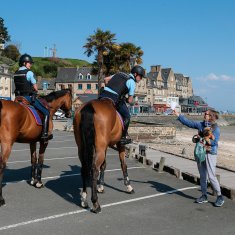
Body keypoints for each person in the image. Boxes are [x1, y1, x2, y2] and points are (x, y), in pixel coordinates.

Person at [173, 109, 224, 207]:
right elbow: (189, 123)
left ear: (212, 116)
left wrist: (204, 139)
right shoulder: (200, 125)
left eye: (206, 114)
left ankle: (219, 196)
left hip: (210, 153)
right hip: (200, 152)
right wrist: (179, 115)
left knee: (211, 175)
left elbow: (215, 143)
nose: (204, 115)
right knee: (202, 175)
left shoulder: (215, 128)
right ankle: (204, 195)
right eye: (204, 114)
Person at [99, 65, 145, 145]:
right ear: (135, 74)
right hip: (114, 98)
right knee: (127, 116)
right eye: (140, 77)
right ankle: (123, 138)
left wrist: (108, 87)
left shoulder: (119, 74)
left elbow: (106, 79)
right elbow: (130, 100)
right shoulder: (132, 82)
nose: (140, 79)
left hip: (103, 94)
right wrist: (124, 99)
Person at [13, 53, 52, 143]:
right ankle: (45, 134)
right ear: (24, 63)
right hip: (28, 97)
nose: (30, 64)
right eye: (29, 63)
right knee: (46, 112)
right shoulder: (29, 73)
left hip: (17, 98)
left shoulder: (15, 73)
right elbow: (35, 88)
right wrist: (35, 89)